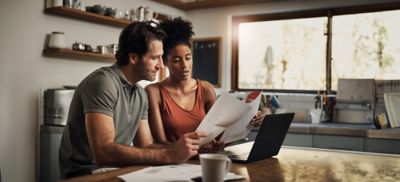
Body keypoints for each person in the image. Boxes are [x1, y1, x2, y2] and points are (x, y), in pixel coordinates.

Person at [59, 21, 206, 179]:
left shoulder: (139, 93)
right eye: (155, 58)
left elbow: (147, 146)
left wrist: (191, 148)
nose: (161, 65)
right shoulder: (103, 83)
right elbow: (103, 152)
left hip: (116, 171)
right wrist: (170, 155)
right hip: (85, 174)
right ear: (134, 57)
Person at [145, 17, 264, 152]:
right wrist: (196, 149)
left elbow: (219, 135)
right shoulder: (154, 92)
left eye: (188, 58)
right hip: (174, 164)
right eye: (176, 60)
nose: (185, 65)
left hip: (205, 161)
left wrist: (248, 122)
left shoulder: (206, 89)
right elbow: (160, 142)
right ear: (164, 62)